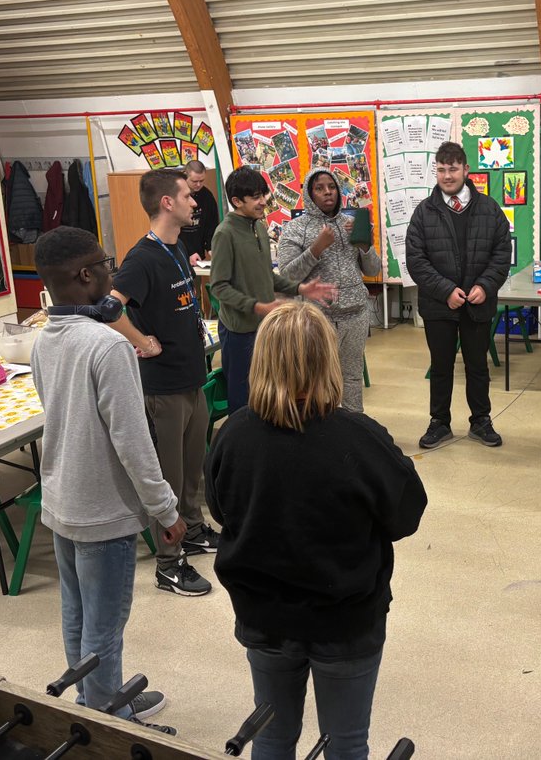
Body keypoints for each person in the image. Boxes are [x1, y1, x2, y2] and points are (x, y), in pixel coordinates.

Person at [205, 301, 427, 760]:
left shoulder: (233, 433)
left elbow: (221, 508)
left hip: (263, 616)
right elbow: (406, 515)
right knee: (345, 742)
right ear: (329, 360)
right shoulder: (361, 438)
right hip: (345, 620)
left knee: (270, 734)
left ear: (260, 360)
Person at [32, 226, 187, 735]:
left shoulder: (44, 339)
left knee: (77, 613)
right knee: (105, 627)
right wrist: (166, 509)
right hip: (103, 512)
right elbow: (134, 443)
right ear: (84, 275)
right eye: (104, 264)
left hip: (61, 500)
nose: (110, 271)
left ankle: (92, 695)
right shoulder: (107, 346)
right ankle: (107, 722)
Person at [109, 168, 215, 597]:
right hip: (163, 387)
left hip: (192, 378)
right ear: (167, 203)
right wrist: (140, 340)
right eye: (188, 196)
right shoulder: (142, 258)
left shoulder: (178, 247)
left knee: (192, 470)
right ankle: (169, 565)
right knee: (167, 478)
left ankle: (191, 531)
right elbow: (107, 308)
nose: (195, 202)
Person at [405, 141, 512, 449]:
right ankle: (439, 422)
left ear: (466, 170)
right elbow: (416, 260)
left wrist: (485, 286)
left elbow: (502, 253)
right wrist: (446, 290)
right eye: (441, 169)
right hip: (439, 305)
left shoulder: (489, 208)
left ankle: (481, 421)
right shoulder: (424, 213)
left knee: (477, 365)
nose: (447, 176)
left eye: (453, 169)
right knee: (440, 366)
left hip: (478, 304)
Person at [210, 166, 338, 411]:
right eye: (256, 197)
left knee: (266, 392)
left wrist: (301, 288)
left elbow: (265, 275)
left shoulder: (258, 226)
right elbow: (219, 287)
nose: (263, 201)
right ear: (237, 201)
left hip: (265, 326)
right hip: (239, 332)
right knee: (243, 400)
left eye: (264, 194)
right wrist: (257, 306)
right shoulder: (224, 234)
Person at [276, 168, 382, 412]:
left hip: (356, 314)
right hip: (318, 318)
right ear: (309, 193)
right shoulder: (296, 229)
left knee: (352, 377)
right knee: (317, 379)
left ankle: (355, 428)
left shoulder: (350, 224)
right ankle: (320, 431)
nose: (327, 193)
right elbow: (288, 275)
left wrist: (365, 245)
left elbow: (372, 269)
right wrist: (316, 249)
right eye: (319, 188)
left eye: (331, 187)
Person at [179, 158, 220, 265]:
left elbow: (212, 225)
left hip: (198, 252)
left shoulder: (207, 196)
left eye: (201, 181)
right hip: (179, 252)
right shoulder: (176, 196)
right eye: (194, 181)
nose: (198, 185)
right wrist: (189, 252)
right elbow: (174, 229)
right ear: (185, 176)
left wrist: (211, 248)